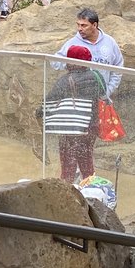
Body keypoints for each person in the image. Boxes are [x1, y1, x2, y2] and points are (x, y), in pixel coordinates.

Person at [43, 44, 105, 182]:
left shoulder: (64, 81)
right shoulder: (97, 76)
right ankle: (90, 189)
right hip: (91, 126)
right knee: (87, 160)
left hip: (71, 129)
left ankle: (69, 191)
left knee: (68, 164)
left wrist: (39, 112)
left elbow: (49, 101)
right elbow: (103, 95)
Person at [55, 7, 123, 100]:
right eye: (78, 25)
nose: (79, 29)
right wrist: (71, 64)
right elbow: (55, 62)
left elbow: (118, 67)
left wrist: (108, 90)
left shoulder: (110, 42)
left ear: (94, 25)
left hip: (102, 97)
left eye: (84, 25)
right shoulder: (73, 43)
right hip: (79, 98)